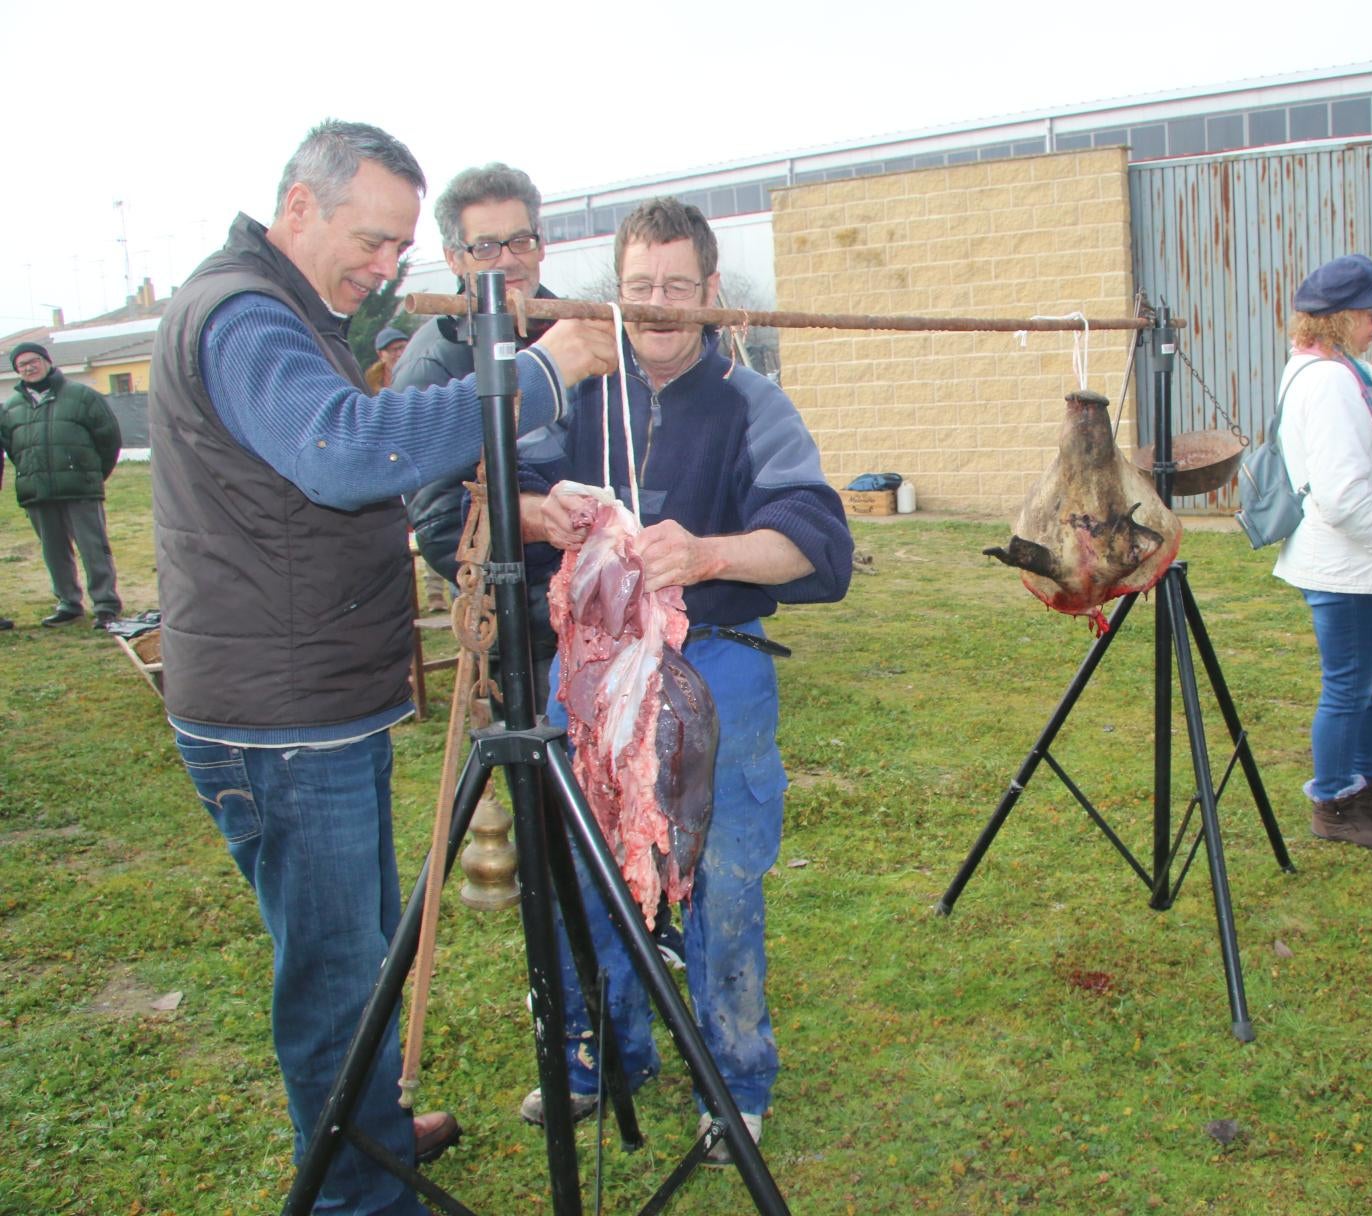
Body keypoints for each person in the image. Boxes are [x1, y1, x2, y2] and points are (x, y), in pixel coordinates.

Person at [150, 119, 620, 1215]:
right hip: (280, 722)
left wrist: (479, 495)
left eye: (399, 249)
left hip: (315, 708)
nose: (382, 266)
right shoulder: (246, 317)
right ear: (298, 208)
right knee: (335, 980)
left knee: (357, 956)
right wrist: (539, 376)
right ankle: (359, 1194)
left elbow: (306, 474)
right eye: (372, 239)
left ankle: (364, 1130)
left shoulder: (296, 314)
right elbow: (345, 452)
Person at [513, 197, 853, 1161]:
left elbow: (817, 544)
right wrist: (549, 516)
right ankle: (601, 1060)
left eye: (674, 287)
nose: (656, 306)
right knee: (584, 872)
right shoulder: (574, 393)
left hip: (715, 669)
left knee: (723, 883)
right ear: (613, 294)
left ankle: (735, 1081)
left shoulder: (752, 404)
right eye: (637, 288)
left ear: (710, 291)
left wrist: (708, 556)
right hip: (587, 677)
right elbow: (484, 502)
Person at [1272, 253, 1372, 852]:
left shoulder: (1334, 370)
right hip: (1347, 561)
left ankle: (1363, 789)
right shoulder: (1331, 380)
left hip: (1352, 560)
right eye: (1369, 313)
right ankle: (1333, 802)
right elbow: (1340, 493)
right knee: (1351, 685)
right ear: (1337, 320)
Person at [395, 162, 559, 681]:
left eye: (520, 241)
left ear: (541, 243)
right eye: (485, 247)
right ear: (453, 258)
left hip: (621, 617)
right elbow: (445, 529)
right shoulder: (434, 364)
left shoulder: (581, 331)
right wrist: (564, 590)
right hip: (527, 641)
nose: (507, 260)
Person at [1, 342, 124, 629]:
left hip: (80, 489)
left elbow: (108, 440)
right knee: (54, 551)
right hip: (38, 493)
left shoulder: (82, 397)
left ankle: (106, 605)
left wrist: (90, 474)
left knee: (94, 548)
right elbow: (11, 448)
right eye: (21, 365)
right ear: (17, 371)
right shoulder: (11, 408)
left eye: (33, 361)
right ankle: (69, 603)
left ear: (47, 361)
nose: (29, 367)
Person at [365, 325, 409, 391]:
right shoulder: (371, 381)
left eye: (402, 347)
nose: (400, 354)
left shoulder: (420, 373)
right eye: (393, 350)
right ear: (380, 354)